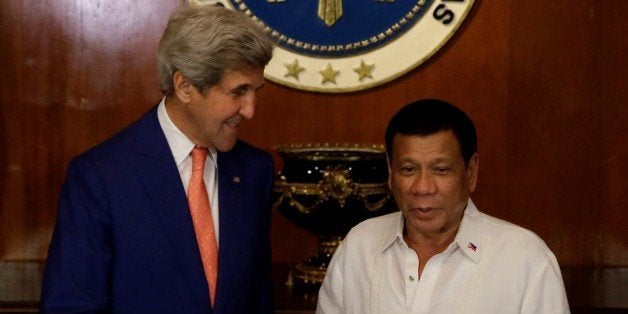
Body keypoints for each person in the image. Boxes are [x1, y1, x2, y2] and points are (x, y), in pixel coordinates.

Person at [41, 4, 275, 313]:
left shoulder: (256, 171)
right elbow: (71, 306)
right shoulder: (100, 177)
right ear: (185, 86)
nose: (250, 109)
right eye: (238, 92)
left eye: (255, 91)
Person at [317, 99, 569, 313]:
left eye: (441, 170)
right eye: (408, 169)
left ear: (471, 172)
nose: (423, 187)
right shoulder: (359, 246)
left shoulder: (524, 258)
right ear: (391, 173)